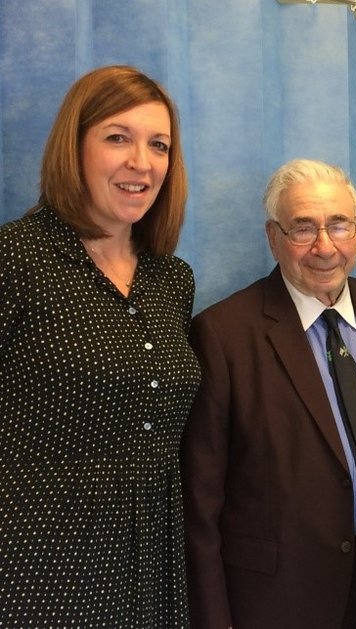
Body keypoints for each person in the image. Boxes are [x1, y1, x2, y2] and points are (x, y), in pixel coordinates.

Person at [181, 158, 356, 628]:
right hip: (276, 592)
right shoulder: (223, 335)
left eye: (339, 225)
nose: (325, 246)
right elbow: (200, 502)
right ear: (274, 238)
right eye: (303, 229)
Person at [0, 66, 199, 627]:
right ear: (74, 146)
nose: (142, 161)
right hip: (36, 569)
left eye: (158, 144)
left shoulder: (172, 280)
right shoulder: (15, 260)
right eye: (118, 137)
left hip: (151, 563)